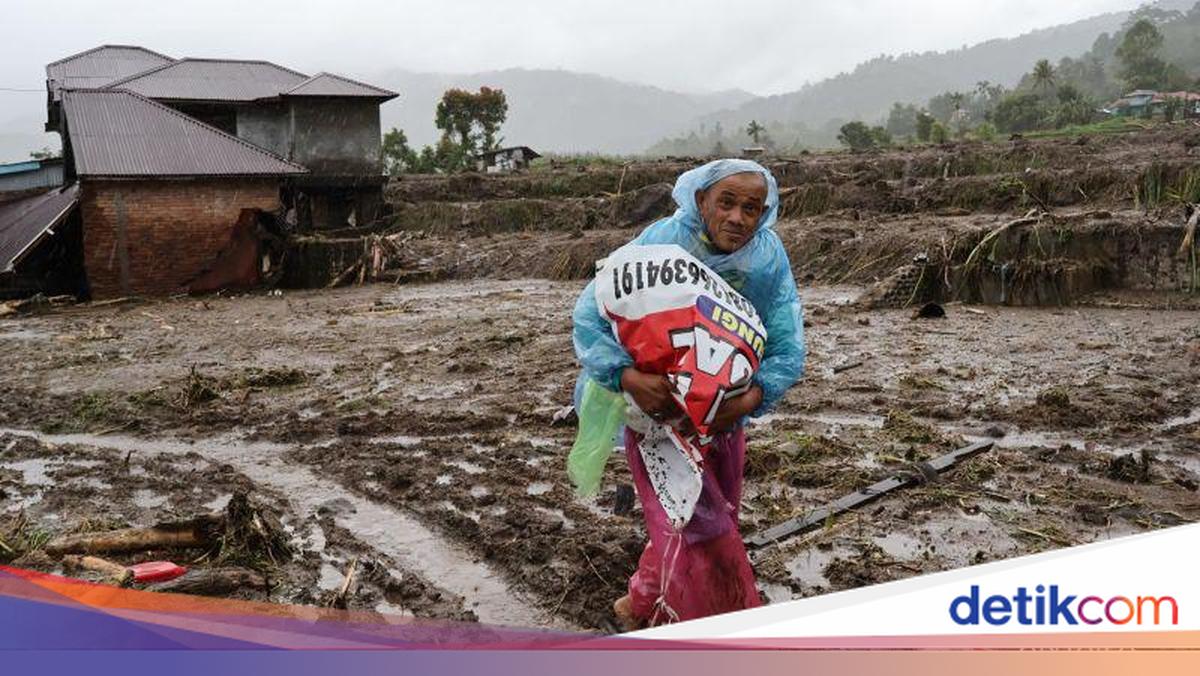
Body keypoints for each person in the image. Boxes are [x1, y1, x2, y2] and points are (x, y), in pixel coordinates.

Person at [571, 159, 806, 628]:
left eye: (751, 208)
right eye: (727, 203)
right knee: (702, 529)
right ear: (701, 201)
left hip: (724, 419)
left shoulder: (766, 259)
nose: (738, 218)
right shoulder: (661, 245)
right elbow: (590, 315)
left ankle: (638, 604)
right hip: (660, 421)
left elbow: (787, 344)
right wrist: (628, 378)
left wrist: (751, 399)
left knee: (710, 519)